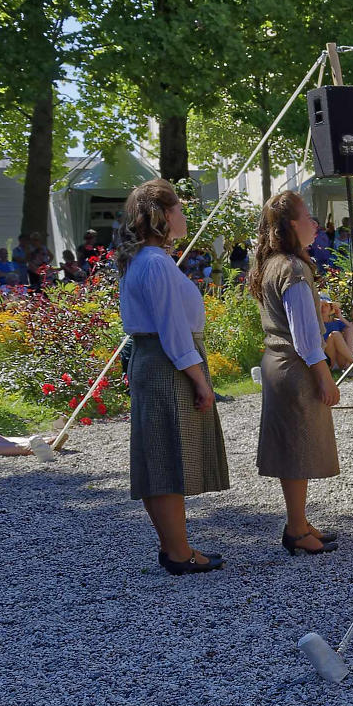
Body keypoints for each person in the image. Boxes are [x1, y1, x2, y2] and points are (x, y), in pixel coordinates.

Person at [117, 179, 229, 575]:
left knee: (158, 456)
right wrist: (199, 380)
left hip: (155, 359)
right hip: (167, 363)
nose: (183, 215)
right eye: (179, 209)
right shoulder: (155, 263)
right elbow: (174, 329)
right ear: (162, 216)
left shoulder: (144, 260)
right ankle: (178, 552)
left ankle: (174, 547)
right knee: (164, 457)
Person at [248, 191, 341, 557]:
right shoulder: (293, 268)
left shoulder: (271, 264)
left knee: (293, 447)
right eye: (308, 217)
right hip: (294, 366)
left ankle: (298, 522)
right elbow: (304, 335)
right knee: (298, 448)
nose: (315, 224)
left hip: (277, 362)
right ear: (291, 225)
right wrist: (324, 375)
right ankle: (297, 529)